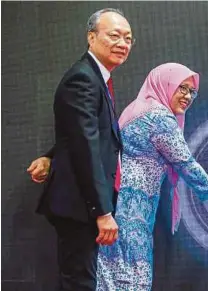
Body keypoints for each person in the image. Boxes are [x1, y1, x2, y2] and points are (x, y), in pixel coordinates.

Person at [95, 63, 208, 290]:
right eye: (182, 88)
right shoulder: (160, 119)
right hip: (133, 211)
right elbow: (185, 162)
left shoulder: (135, 109)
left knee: (110, 277)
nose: (188, 96)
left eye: (192, 91)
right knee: (134, 279)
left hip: (115, 205)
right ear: (166, 84)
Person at [34, 8, 134, 290]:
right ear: (91, 37)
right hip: (79, 204)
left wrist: (50, 156)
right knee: (80, 282)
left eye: (128, 38)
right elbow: (86, 146)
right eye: (114, 35)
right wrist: (102, 212)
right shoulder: (83, 79)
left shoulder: (95, 78)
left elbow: (83, 133)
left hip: (81, 202)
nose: (123, 43)